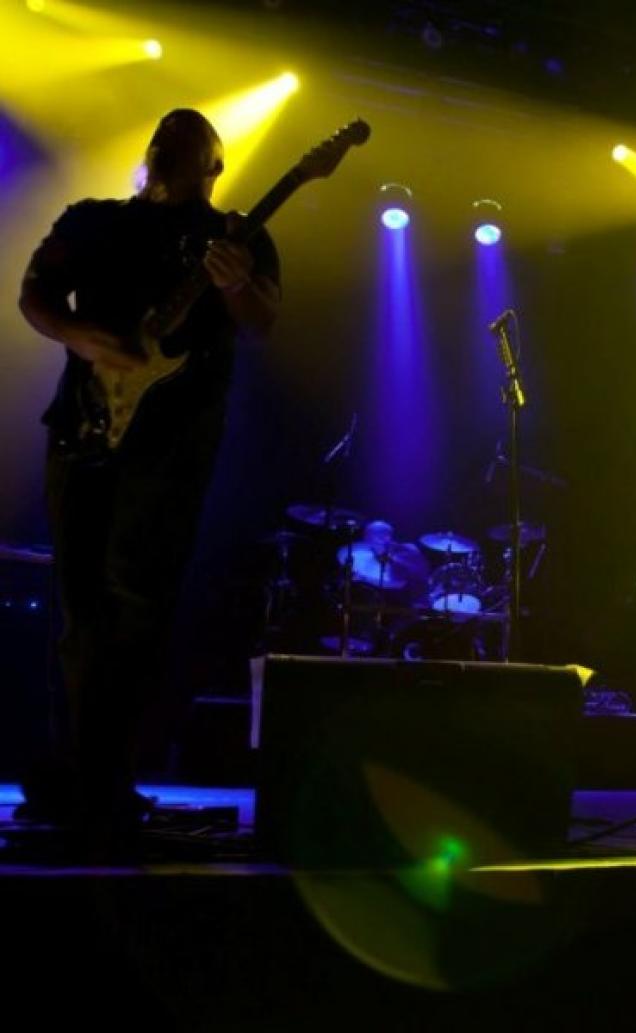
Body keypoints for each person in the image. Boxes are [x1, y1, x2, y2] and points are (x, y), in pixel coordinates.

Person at [17, 108, 280, 852]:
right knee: (78, 607)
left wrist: (236, 285)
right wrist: (77, 334)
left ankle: (106, 778)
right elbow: (35, 295)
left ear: (215, 166)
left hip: (172, 445)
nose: (172, 145)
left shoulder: (238, 235)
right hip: (82, 427)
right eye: (165, 138)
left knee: (136, 603)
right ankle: (75, 776)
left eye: (190, 142)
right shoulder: (93, 219)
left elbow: (263, 321)